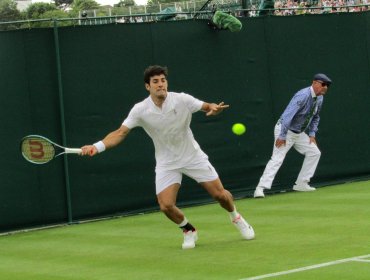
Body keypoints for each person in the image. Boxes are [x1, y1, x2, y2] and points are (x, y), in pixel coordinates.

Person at [81, 65, 255, 249]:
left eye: (163, 80)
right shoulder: (140, 109)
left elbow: (206, 106)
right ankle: (189, 230)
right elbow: (120, 133)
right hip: (167, 163)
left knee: (221, 195)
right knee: (166, 205)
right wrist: (97, 147)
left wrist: (213, 108)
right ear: (148, 86)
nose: (160, 84)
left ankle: (236, 217)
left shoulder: (181, 99)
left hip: (193, 156)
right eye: (155, 81)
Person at [254, 73, 332, 198]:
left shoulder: (320, 98)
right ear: (315, 83)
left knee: (314, 152)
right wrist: (282, 135)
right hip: (285, 130)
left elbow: (316, 116)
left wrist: (312, 134)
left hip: (299, 133)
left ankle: (301, 183)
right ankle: (260, 188)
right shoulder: (302, 96)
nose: (325, 87)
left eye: (327, 85)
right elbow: (287, 116)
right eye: (323, 84)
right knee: (277, 159)